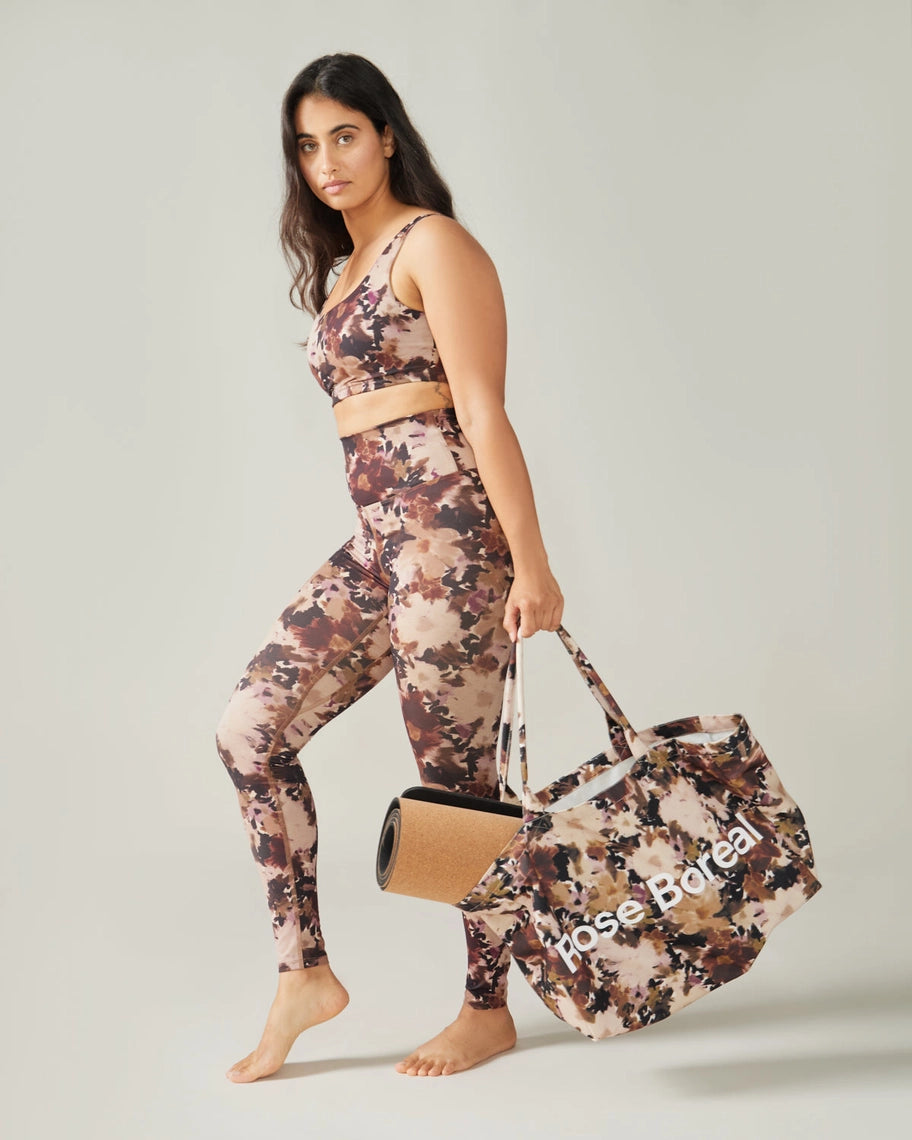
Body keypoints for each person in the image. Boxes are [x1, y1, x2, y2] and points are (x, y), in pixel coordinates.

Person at [215, 51, 564, 1083]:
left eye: (344, 136)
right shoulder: (344, 271)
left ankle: (485, 1007)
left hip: (453, 543)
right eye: (307, 144)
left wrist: (533, 569)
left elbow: (485, 411)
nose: (325, 160)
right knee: (248, 732)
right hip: (378, 547)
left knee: (454, 787)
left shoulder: (434, 244)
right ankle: (303, 974)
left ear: (387, 137)